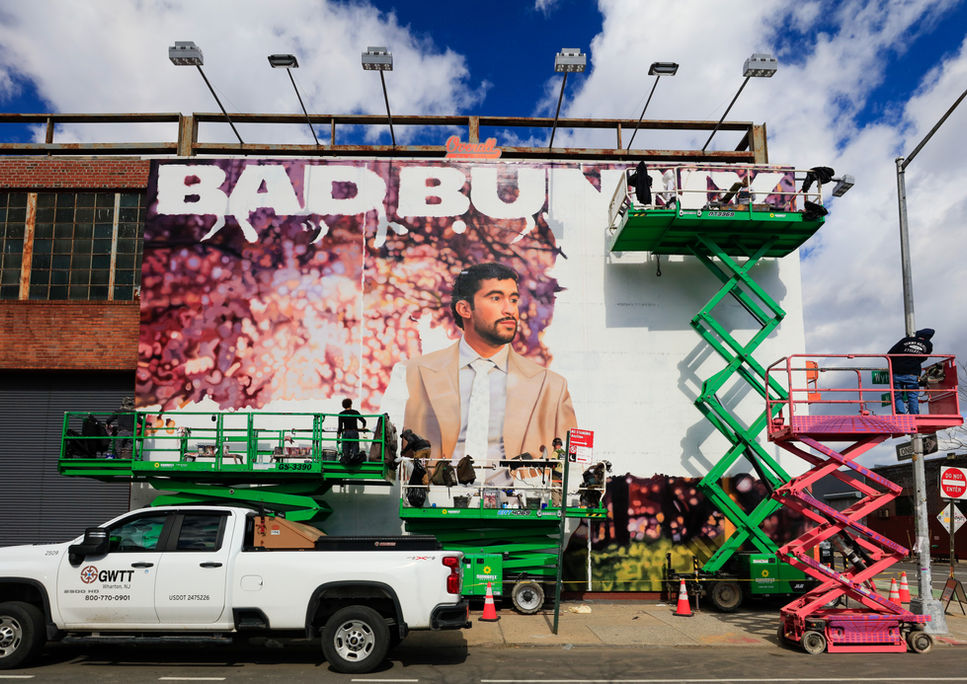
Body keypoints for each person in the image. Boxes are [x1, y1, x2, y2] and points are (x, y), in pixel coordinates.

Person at [403, 262, 577, 466]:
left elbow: (572, 464)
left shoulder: (552, 387)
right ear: (465, 309)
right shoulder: (414, 373)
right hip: (437, 493)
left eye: (513, 299)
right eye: (496, 298)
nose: (510, 309)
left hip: (519, 495)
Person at [887, 328, 934, 415]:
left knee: (897, 395)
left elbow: (890, 353)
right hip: (913, 373)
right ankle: (915, 415)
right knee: (912, 396)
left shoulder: (906, 340)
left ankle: (900, 414)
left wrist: (895, 364)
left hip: (897, 372)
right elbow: (924, 358)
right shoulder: (928, 344)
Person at [337, 398, 367, 464]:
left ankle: (346, 460)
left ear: (343, 406)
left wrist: (338, 436)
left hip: (346, 433)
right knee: (355, 448)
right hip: (354, 432)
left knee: (346, 449)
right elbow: (364, 421)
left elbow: (340, 427)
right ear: (351, 404)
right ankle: (354, 461)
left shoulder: (341, 414)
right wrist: (363, 427)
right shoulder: (355, 412)